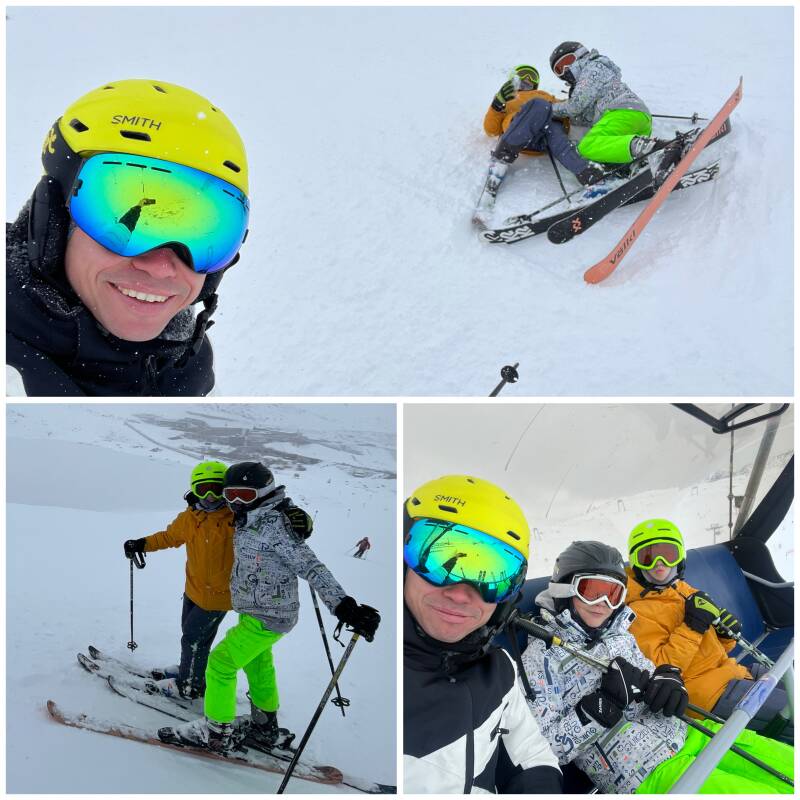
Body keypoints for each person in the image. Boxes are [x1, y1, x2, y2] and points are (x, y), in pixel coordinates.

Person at [7, 78, 250, 396]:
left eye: (202, 233)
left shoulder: (186, 366)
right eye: (115, 212)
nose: (161, 267)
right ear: (53, 220)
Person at [520, 540, 793, 793]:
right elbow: (544, 750)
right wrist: (601, 707)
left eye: (613, 594)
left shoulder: (619, 633)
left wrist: (668, 681)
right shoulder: (540, 659)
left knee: (787, 763)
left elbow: (650, 673)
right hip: (646, 772)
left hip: (690, 733)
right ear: (564, 587)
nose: (603, 605)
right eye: (592, 592)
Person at [169, 461, 380, 752]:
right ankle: (264, 725)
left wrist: (344, 606)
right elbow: (212, 510)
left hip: (269, 615)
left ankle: (216, 731)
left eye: (245, 495)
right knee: (259, 666)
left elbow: (311, 566)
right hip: (253, 611)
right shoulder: (245, 516)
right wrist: (195, 501)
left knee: (220, 663)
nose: (236, 502)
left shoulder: (274, 525)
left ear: (264, 493)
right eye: (231, 495)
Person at [403, 474, 563, 793]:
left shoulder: (500, 669)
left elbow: (531, 751)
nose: (462, 594)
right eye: (438, 561)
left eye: (491, 577)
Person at [123, 460, 314, 700]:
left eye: (217, 489)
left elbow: (270, 511)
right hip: (193, 589)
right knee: (191, 635)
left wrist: (297, 517)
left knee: (194, 638)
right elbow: (169, 537)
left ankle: (189, 685)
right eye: (203, 490)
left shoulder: (238, 518)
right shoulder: (190, 517)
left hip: (220, 595)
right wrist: (142, 544)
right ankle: (191, 671)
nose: (211, 497)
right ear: (194, 490)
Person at [626, 519, 792, 740]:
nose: (659, 563)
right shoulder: (636, 613)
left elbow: (711, 650)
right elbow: (661, 669)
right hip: (709, 693)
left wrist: (724, 634)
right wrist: (693, 626)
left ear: (679, 556)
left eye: (668, 553)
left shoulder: (681, 588)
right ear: (635, 563)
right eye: (647, 557)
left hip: (733, 671)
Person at [475, 64, 603, 222]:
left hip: (545, 136)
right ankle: (497, 171)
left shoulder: (543, 95)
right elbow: (491, 130)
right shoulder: (507, 99)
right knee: (539, 105)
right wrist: (497, 104)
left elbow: (568, 110)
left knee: (555, 128)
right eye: (523, 75)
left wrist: (576, 96)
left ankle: (589, 177)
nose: (527, 79)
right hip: (520, 134)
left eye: (532, 77)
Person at [548, 42, 671, 165]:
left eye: (567, 61)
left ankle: (652, 148)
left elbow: (575, 106)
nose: (565, 69)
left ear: (581, 54)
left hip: (621, 113)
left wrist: (548, 109)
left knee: (588, 145)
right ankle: (645, 162)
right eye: (559, 70)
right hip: (634, 119)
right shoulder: (590, 81)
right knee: (612, 154)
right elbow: (581, 116)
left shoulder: (593, 68)